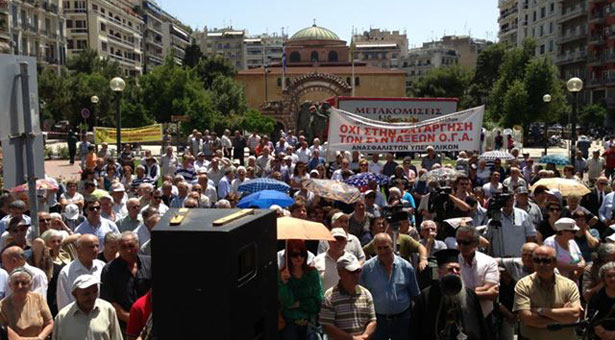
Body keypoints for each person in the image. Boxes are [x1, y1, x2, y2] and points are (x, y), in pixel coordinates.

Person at [411, 249, 491, 340]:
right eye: (450, 269)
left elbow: (481, 327)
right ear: (439, 272)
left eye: (457, 269)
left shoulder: (470, 296)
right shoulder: (426, 296)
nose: (455, 272)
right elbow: (416, 330)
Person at [513, 245, 582, 340]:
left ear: (555, 263)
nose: (541, 264)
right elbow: (527, 319)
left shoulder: (569, 285)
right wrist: (563, 319)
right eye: (537, 260)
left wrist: (540, 311)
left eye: (546, 261)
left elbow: (574, 314)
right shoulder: (523, 285)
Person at [359, 233, 420, 340]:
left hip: (402, 320)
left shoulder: (406, 267)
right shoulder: (367, 269)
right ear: (374, 249)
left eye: (386, 247)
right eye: (379, 248)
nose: (383, 251)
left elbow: (415, 294)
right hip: (378, 322)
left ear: (392, 246)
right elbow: (362, 296)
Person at [319, 253, 377, 340]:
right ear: (340, 273)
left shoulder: (366, 294)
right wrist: (352, 338)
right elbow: (327, 326)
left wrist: (365, 336)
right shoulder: (330, 297)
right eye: (352, 272)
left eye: (358, 271)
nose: (356, 275)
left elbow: (372, 321)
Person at [100, 231, 151, 328]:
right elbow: (110, 301)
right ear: (118, 248)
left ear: (138, 245)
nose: (128, 251)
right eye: (123, 247)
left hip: (150, 322)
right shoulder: (109, 270)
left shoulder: (149, 263)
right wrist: (132, 319)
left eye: (131, 246)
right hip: (124, 326)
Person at [52, 274, 123, 340]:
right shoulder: (62, 317)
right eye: (86, 294)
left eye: (95, 292)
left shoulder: (108, 310)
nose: (92, 297)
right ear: (75, 295)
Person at [278, 238, 323, 340]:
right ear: (288, 256)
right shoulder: (282, 276)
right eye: (294, 254)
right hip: (289, 323)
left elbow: (317, 301)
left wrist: (298, 304)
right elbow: (287, 303)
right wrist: (284, 284)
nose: (299, 257)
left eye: (302, 254)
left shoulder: (312, 274)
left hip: (310, 322)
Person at [456, 225, 500, 319]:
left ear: (476, 244)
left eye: (466, 243)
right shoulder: (453, 263)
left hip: (485, 316)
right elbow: (452, 293)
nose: (461, 246)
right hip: (461, 317)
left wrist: (462, 293)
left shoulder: (489, 262)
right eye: (459, 242)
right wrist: (484, 293)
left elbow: (492, 292)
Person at [56, 234, 106, 311]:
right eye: (91, 247)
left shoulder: (102, 266)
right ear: (79, 249)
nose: (95, 250)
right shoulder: (66, 273)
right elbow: (63, 304)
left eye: (97, 246)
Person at [0, 268, 53, 339]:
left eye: (24, 283)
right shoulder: (3, 305)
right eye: (16, 283)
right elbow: (4, 330)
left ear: (30, 285)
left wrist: (40, 338)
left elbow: (50, 323)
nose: (20, 286)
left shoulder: (38, 299)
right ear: (10, 285)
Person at [485, 192, 537, 257]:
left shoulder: (523, 215)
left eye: (511, 200)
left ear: (514, 200)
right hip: (499, 259)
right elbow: (489, 240)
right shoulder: (494, 217)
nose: (508, 203)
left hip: (519, 258)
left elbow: (530, 237)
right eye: (506, 201)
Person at [313, 228, 359, 293]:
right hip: (324, 301)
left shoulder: (352, 259)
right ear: (328, 241)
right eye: (334, 239)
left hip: (346, 301)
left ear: (346, 242)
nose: (337, 242)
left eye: (341, 239)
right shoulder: (317, 260)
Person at [588, 262, 615, 340]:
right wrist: (603, 333)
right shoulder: (597, 297)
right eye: (609, 276)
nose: (613, 279)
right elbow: (592, 316)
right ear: (603, 279)